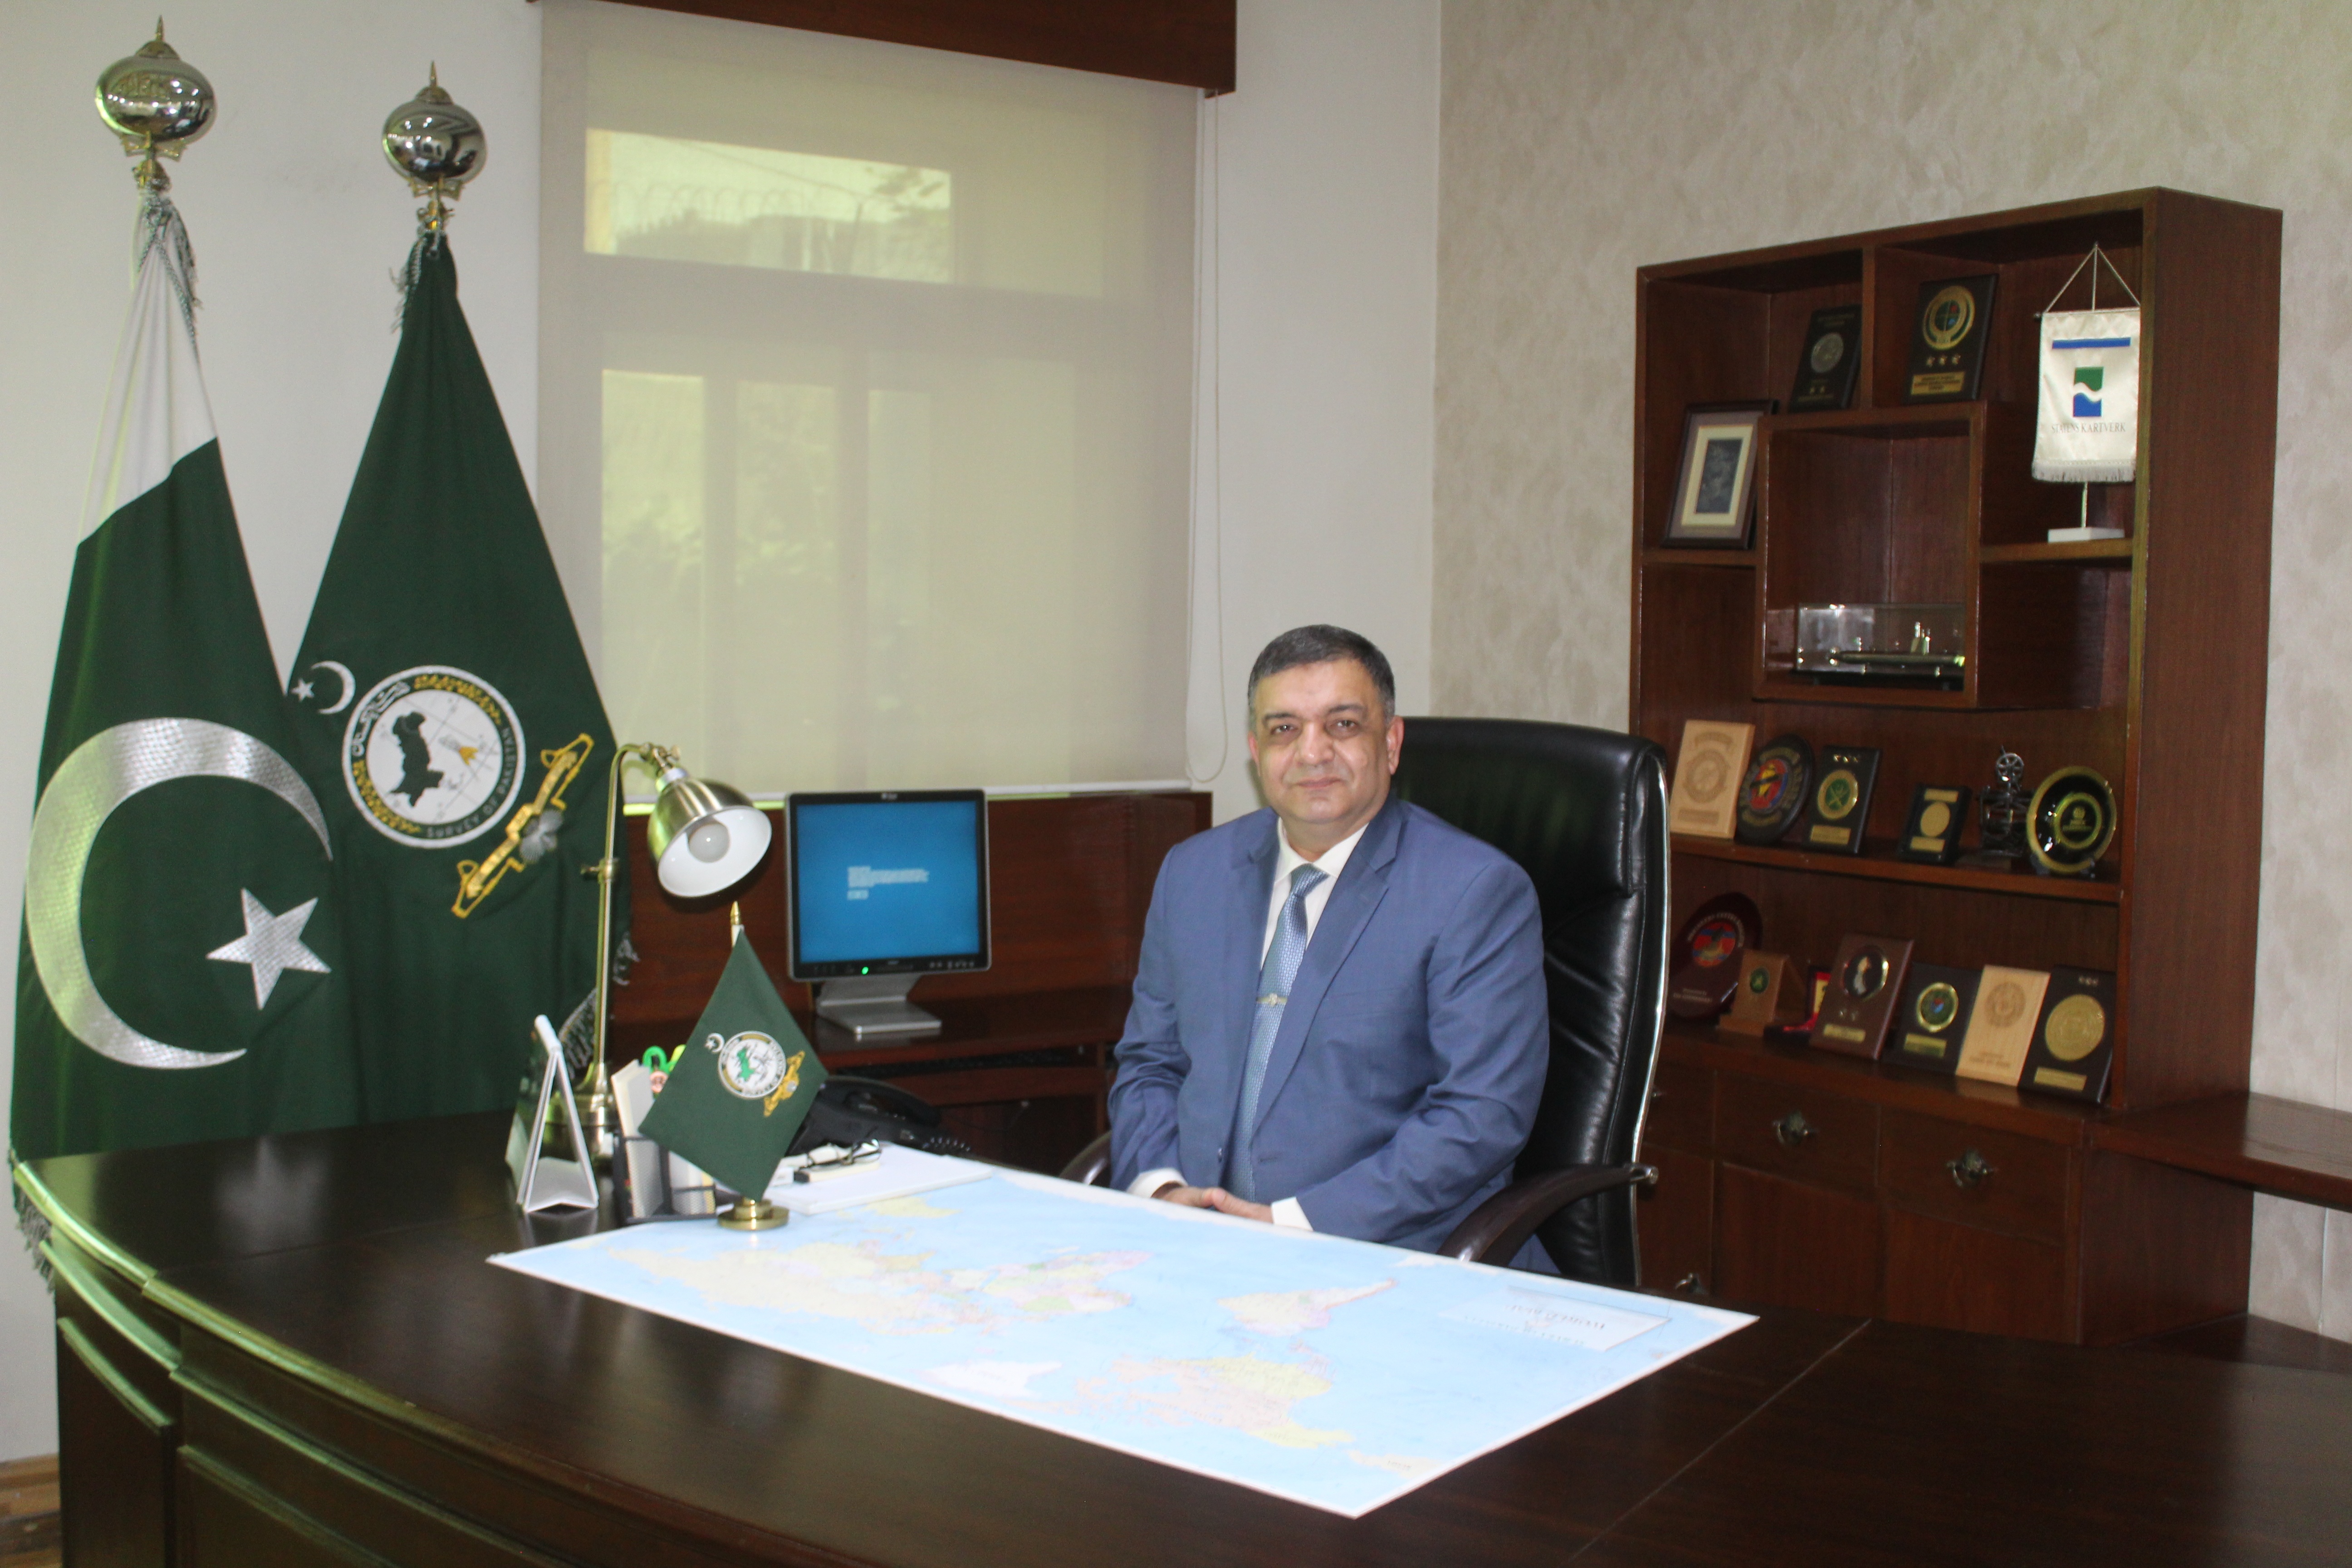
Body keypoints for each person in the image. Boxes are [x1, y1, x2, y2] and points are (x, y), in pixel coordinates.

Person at [1107, 624, 1549, 1256]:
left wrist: (1291, 1225)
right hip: (1199, 1245)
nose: (1312, 752)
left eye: (1342, 725)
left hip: (1387, 1255)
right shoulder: (1192, 873)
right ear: (1256, 751)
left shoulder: (1475, 893)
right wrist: (1162, 1189)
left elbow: (1479, 1116)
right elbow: (1152, 1062)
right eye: (1284, 729)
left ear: (1390, 743)